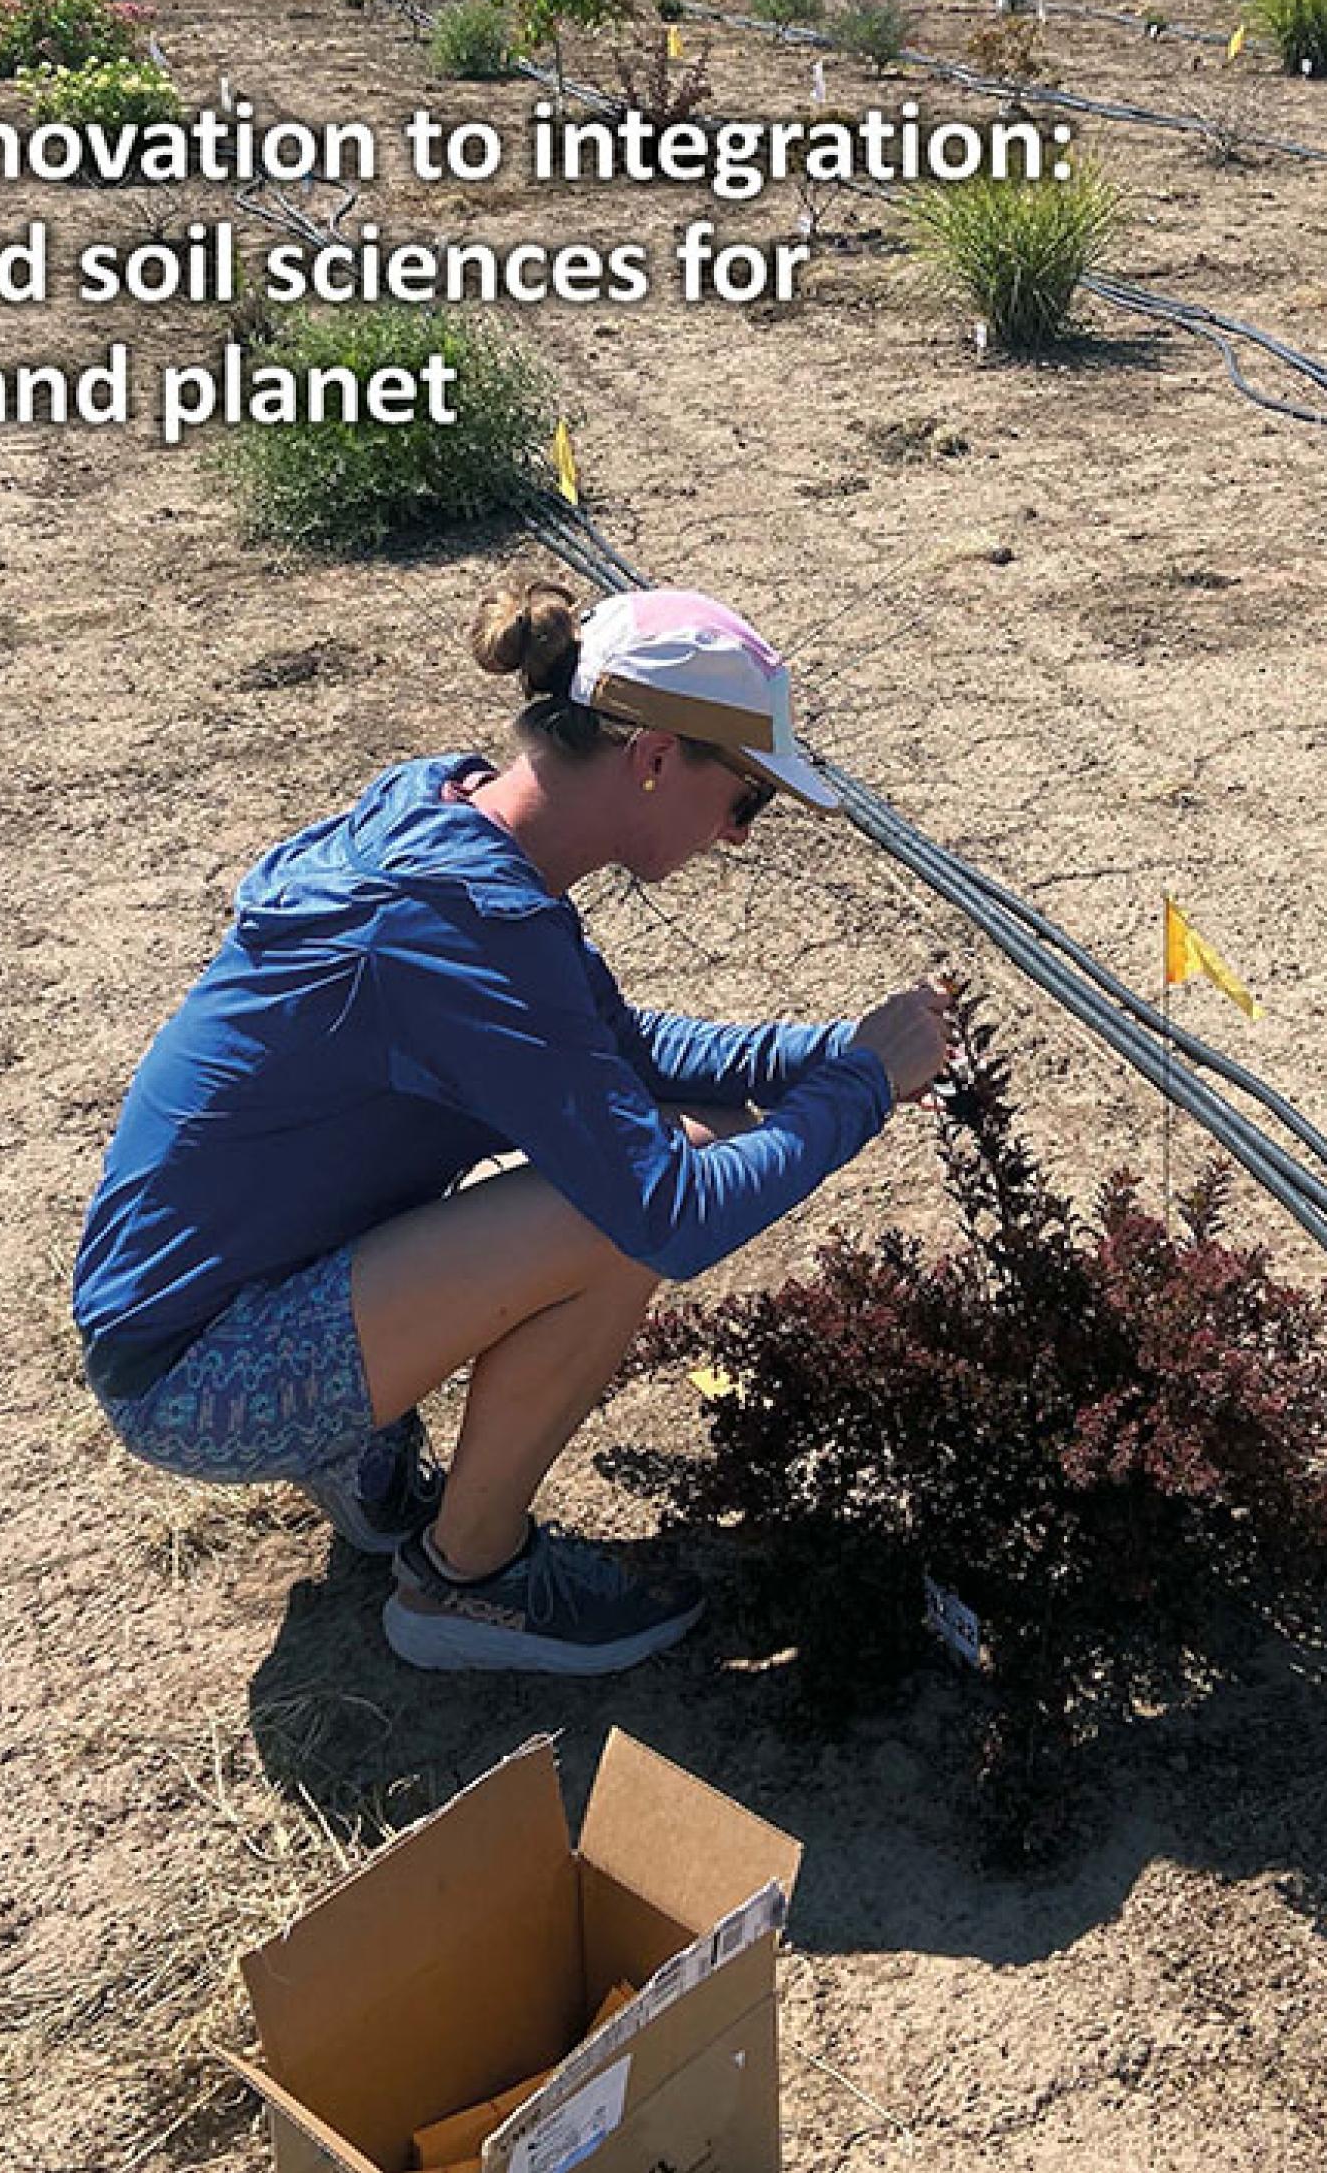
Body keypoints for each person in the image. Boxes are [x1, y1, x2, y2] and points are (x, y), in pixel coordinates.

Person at [74, 576, 954, 1677]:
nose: (737, 836)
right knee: (640, 1193)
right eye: (746, 800)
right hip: (195, 1380)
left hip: (206, 1302)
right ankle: (468, 1578)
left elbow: (614, 1050)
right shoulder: (462, 923)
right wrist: (862, 1089)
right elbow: (670, 1217)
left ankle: (360, 1455)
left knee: (683, 1131)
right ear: (654, 757)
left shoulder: (452, 815)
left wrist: (830, 1052)